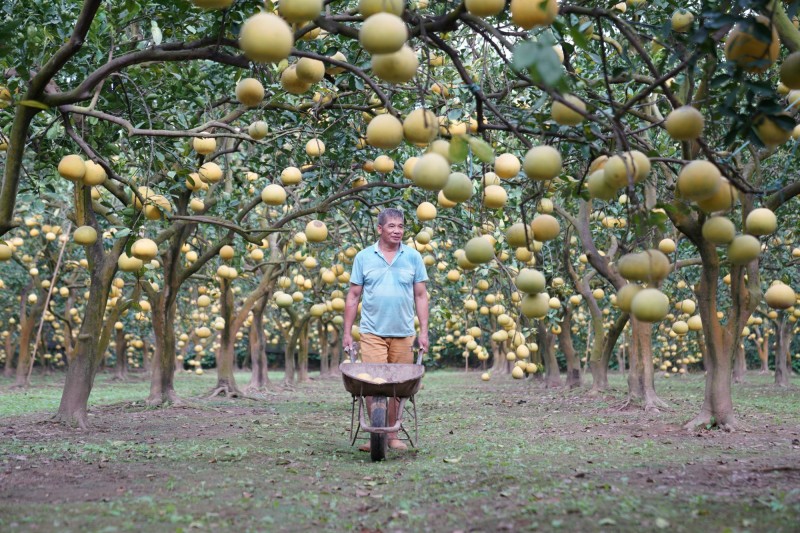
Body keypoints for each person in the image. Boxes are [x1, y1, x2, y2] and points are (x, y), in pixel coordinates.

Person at [342, 208, 429, 452]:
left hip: (404, 333)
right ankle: (376, 435)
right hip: (372, 332)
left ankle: (392, 435)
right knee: (373, 384)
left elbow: (421, 296)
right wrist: (347, 332)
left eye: (400, 226)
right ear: (380, 229)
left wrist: (423, 332)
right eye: (391, 226)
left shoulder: (413, 257)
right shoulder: (363, 257)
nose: (397, 231)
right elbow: (353, 296)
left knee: (398, 387)